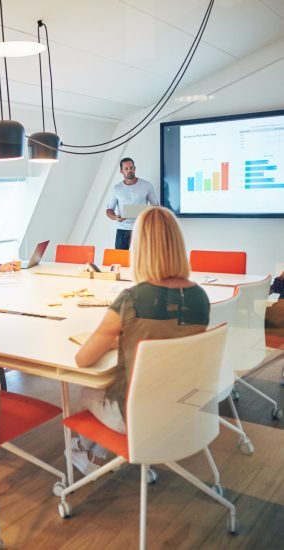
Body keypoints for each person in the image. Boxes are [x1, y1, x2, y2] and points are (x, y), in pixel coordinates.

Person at [71, 206, 210, 475]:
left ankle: (82, 451)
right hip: (186, 408)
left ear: (140, 249)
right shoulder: (200, 297)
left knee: (88, 390)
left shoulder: (132, 298)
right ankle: (100, 451)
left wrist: (117, 340)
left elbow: (83, 359)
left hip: (136, 418)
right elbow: (169, 334)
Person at [106, 157, 159, 250]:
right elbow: (109, 210)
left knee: (143, 261)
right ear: (121, 171)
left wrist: (135, 210)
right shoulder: (116, 188)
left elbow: (156, 207)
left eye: (131, 168)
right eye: (126, 168)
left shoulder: (147, 185)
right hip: (122, 229)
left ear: (134, 168)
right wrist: (115, 217)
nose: (129, 170)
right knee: (120, 261)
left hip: (142, 228)